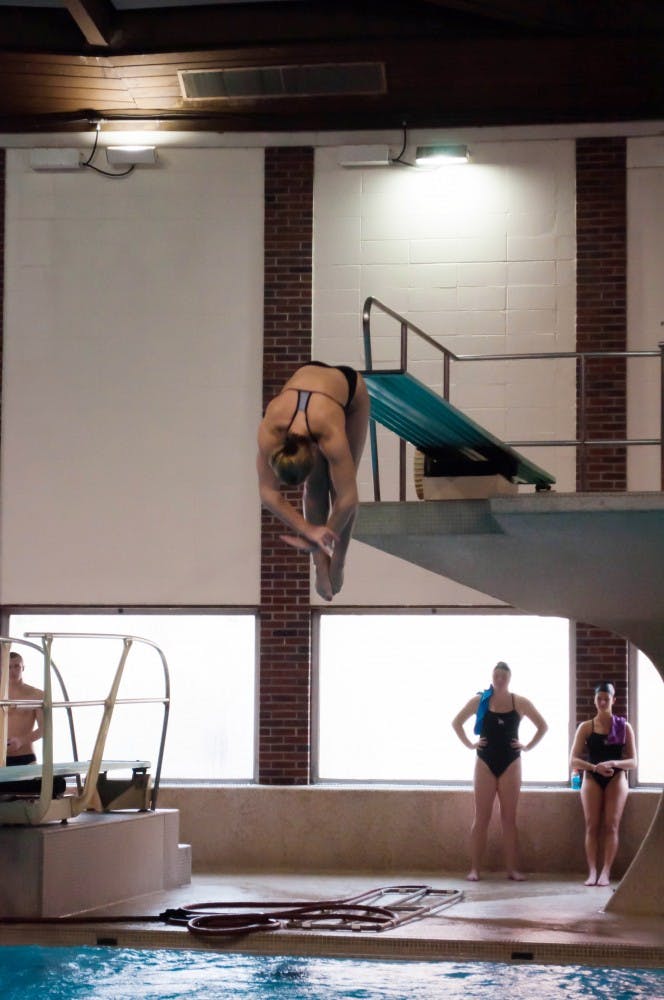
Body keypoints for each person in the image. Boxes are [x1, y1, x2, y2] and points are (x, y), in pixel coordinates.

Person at [257, 362, 370, 601]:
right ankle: (319, 566)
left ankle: (338, 562)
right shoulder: (270, 429)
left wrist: (321, 539)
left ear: (314, 448)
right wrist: (308, 531)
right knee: (314, 487)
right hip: (309, 391)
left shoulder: (328, 431)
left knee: (340, 490)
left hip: (349, 393)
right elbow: (268, 494)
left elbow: (349, 499)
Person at [451, 660, 548, 882]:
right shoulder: (480, 701)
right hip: (484, 762)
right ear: (492, 677)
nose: (500, 679)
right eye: (497, 675)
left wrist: (527, 746)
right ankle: (474, 869)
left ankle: (512, 869)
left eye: (504, 676)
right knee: (481, 818)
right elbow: (456, 722)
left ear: (509, 678)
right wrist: (470, 744)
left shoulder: (520, 702)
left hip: (511, 763)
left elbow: (543, 726)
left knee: (509, 819)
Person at [569, 680, 637, 887]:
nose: (602, 702)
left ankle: (605, 871)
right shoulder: (586, 727)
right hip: (592, 777)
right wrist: (594, 767)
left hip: (616, 777)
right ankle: (592, 871)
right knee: (591, 825)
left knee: (611, 825)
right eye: (599, 698)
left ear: (613, 700)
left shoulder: (624, 727)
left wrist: (615, 763)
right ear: (594, 700)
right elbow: (573, 760)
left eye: (606, 699)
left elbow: (633, 762)